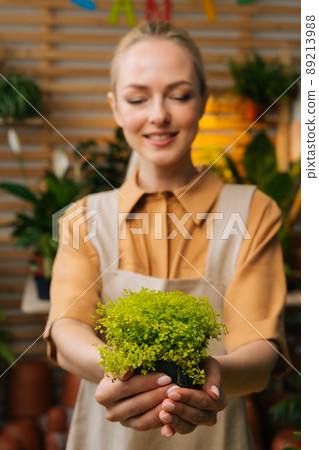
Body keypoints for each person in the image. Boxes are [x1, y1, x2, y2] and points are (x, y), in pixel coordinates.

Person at [44, 21, 290, 450]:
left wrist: (208, 378)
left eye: (178, 95)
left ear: (202, 101)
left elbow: (260, 349)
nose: (158, 114)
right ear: (116, 108)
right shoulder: (84, 217)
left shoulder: (253, 210)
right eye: (137, 98)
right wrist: (118, 370)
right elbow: (67, 328)